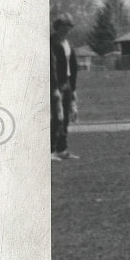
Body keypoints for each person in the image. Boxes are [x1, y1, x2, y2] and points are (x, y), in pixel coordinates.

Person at [50, 13, 79, 159]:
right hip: (55, 83)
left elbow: (73, 67)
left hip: (67, 83)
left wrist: (73, 89)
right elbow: (51, 67)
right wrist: (54, 88)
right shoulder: (51, 43)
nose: (67, 29)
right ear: (58, 27)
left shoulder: (68, 44)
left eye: (69, 26)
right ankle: (49, 150)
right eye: (64, 26)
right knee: (58, 117)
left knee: (66, 117)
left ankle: (62, 149)